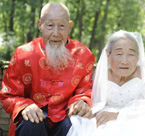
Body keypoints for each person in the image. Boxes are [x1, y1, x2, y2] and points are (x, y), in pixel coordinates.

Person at [0, 2, 95, 136]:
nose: (55, 33)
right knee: (31, 124)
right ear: (40, 25)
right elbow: (8, 94)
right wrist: (25, 106)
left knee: (75, 124)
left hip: (65, 117)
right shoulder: (23, 54)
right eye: (50, 26)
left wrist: (81, 102)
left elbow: (85, 91)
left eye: (62, 26)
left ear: (70, 27)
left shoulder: (84, 55)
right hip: (33, 119)